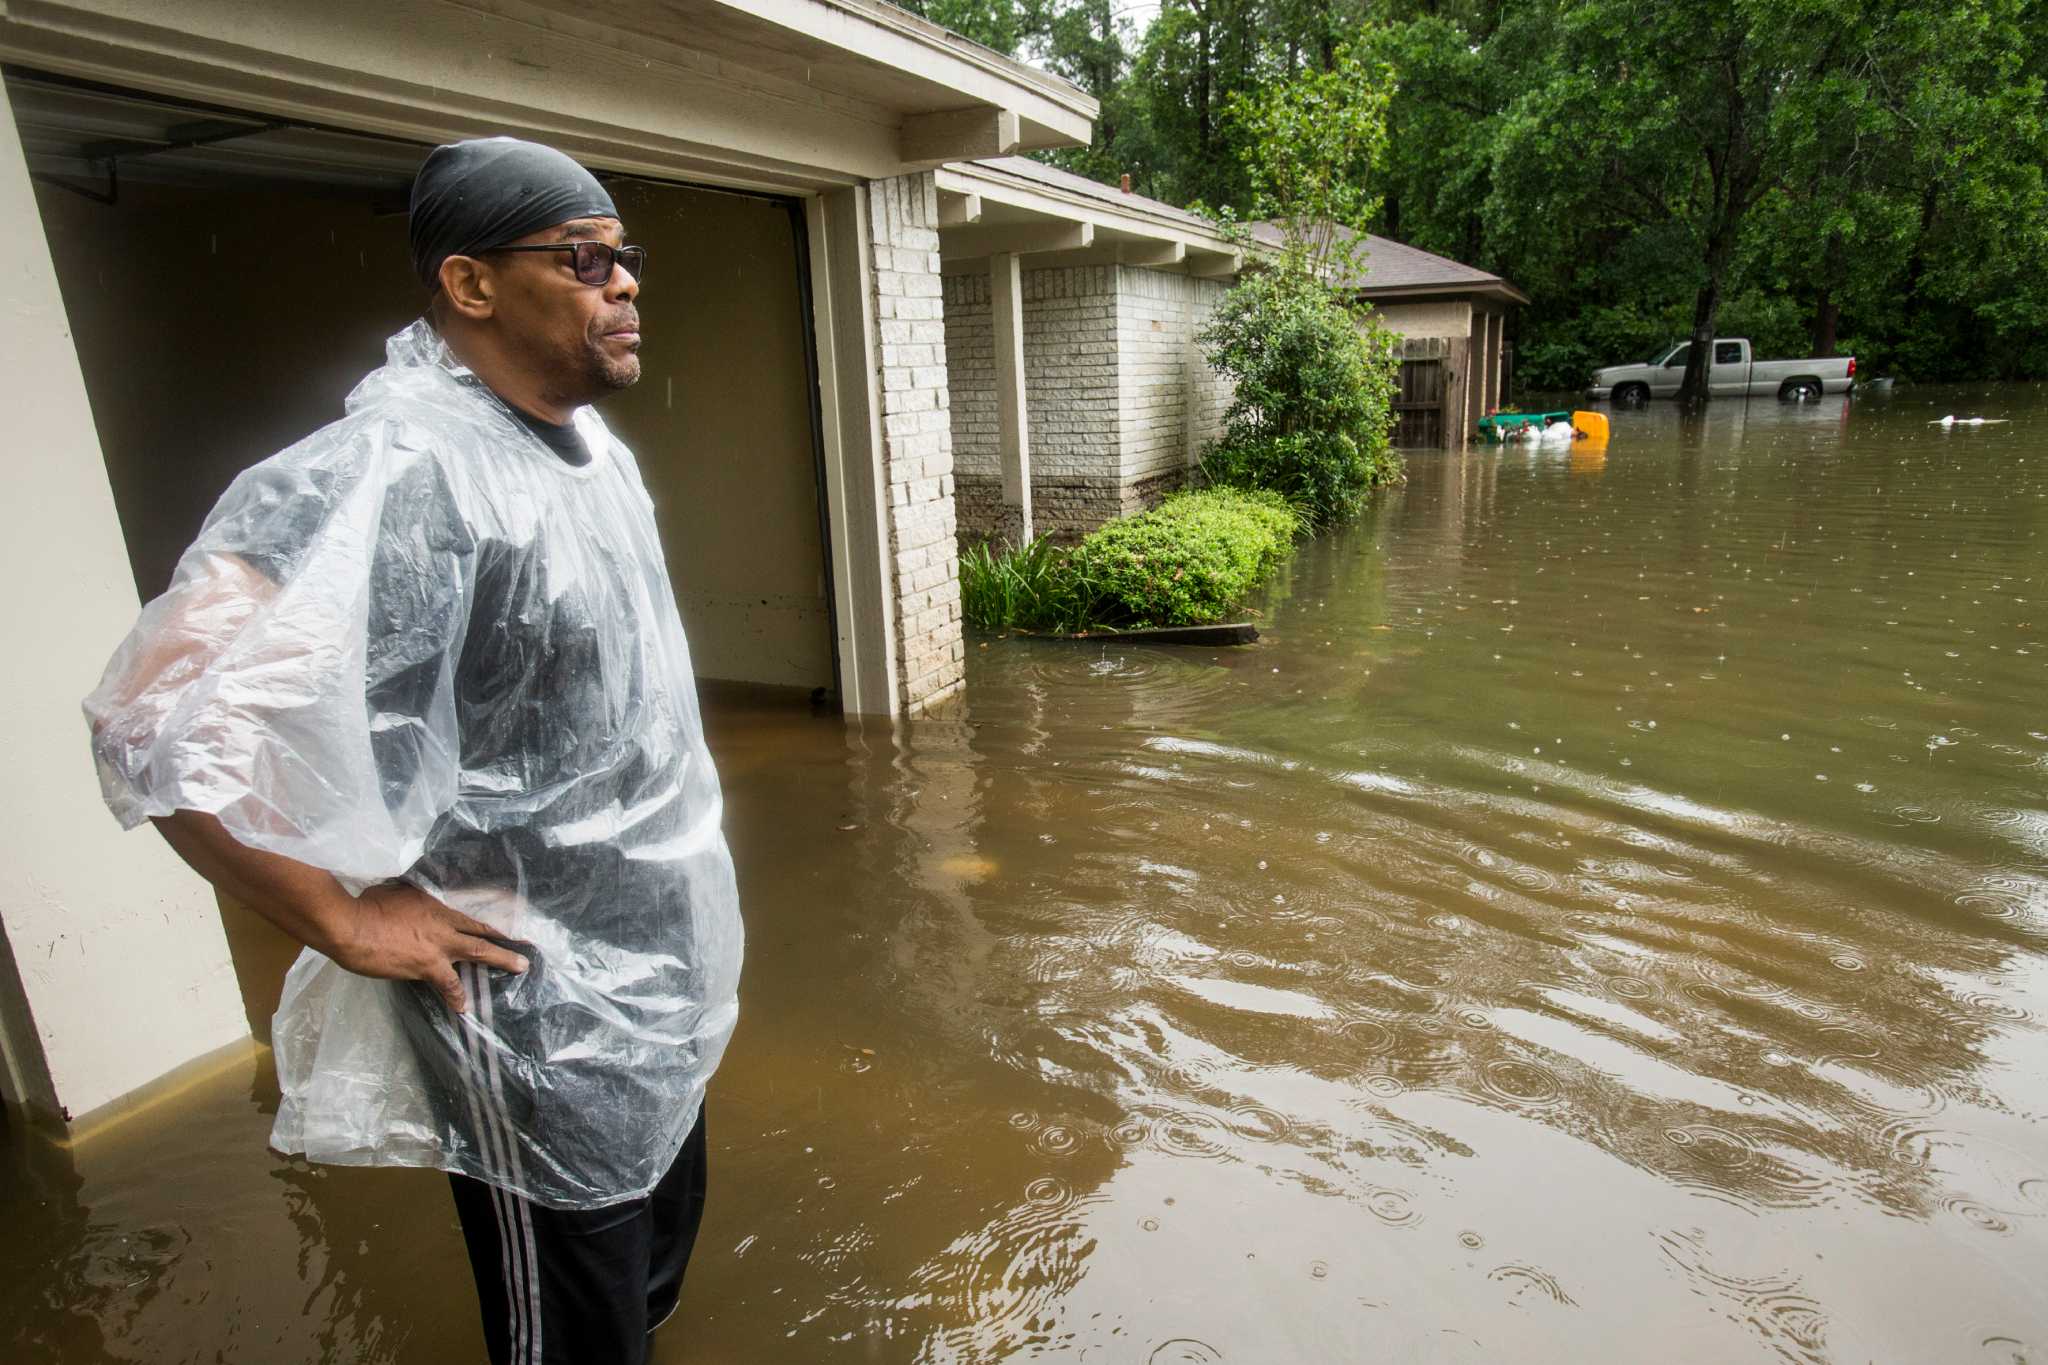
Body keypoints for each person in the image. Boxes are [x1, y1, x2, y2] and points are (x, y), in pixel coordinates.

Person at [82, 137, 744, 1365]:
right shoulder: (387, 473)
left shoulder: (597, 457)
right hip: (532, 1019)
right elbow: (151, 718)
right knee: (569, 1346)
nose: (625, 284)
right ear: (470, 283)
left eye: (627, 259)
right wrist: (339, 917)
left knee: (639, 1301)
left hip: (656, 993)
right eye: (584, 258)